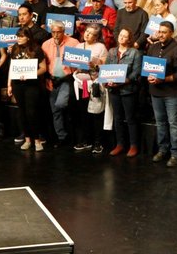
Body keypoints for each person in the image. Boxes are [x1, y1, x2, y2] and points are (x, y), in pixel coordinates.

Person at [146, 21, 177, 166]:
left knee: (173, 124)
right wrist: (150, 77)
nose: (161, 34)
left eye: (164, 32)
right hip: (155, 92)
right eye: (159, 31)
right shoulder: (153, 47)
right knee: (160, 123)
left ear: (171, 33)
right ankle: (162, 150)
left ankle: (176, 153)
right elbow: (148, 68)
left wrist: (163, 79)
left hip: (172, 93)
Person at [104, 27, 143, 157]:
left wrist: (122, 81)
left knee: (131, 118)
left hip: (128, 90)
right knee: (118, 118)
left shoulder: (134, 53)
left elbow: (136, 73)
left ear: (129, 39)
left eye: (125, 36)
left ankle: (133, 145)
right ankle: (120, 144)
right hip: (114, 90)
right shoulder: (111, 51)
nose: (121, 37)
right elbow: (107, 69)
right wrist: (107, 81)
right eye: (120, 35)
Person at [7, 28, 47, 151]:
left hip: (31, 85)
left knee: (31, 112)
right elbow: (12, 67)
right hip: (17, 84)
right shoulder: (15, 48)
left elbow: (43, 68)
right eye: (17, 36)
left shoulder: (36, 49)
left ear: (28, 37)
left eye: (21, 36)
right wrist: (9, 84)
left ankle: (37, 140)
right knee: (22, 112)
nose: (18, 38)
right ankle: (27, 139)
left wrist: (30, 74)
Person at [70, 24, 108, 154]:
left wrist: (94, 65)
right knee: (82, 114)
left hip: (94, 85)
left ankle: (98, 143)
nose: (87, 34)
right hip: (81, 84)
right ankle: (85, 140)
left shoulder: (101, 47)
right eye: (86, 31)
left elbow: (105, 66)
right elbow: (73, 64)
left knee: (96, 113)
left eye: (91, 33)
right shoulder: (79, 46)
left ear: (96, 36)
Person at [43, 21, 81, 147]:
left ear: (64, 31)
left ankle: (71, 133)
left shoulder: (74, 43)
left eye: (58, 32)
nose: (55, 35)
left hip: (67, 79)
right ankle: (61, 137)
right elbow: (44, 63)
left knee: (60, 104)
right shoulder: (46, 44)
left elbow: (79, 64)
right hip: (51, 80)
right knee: (55, 111)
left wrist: (68, 77)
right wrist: (49, 77)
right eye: (53, 32)